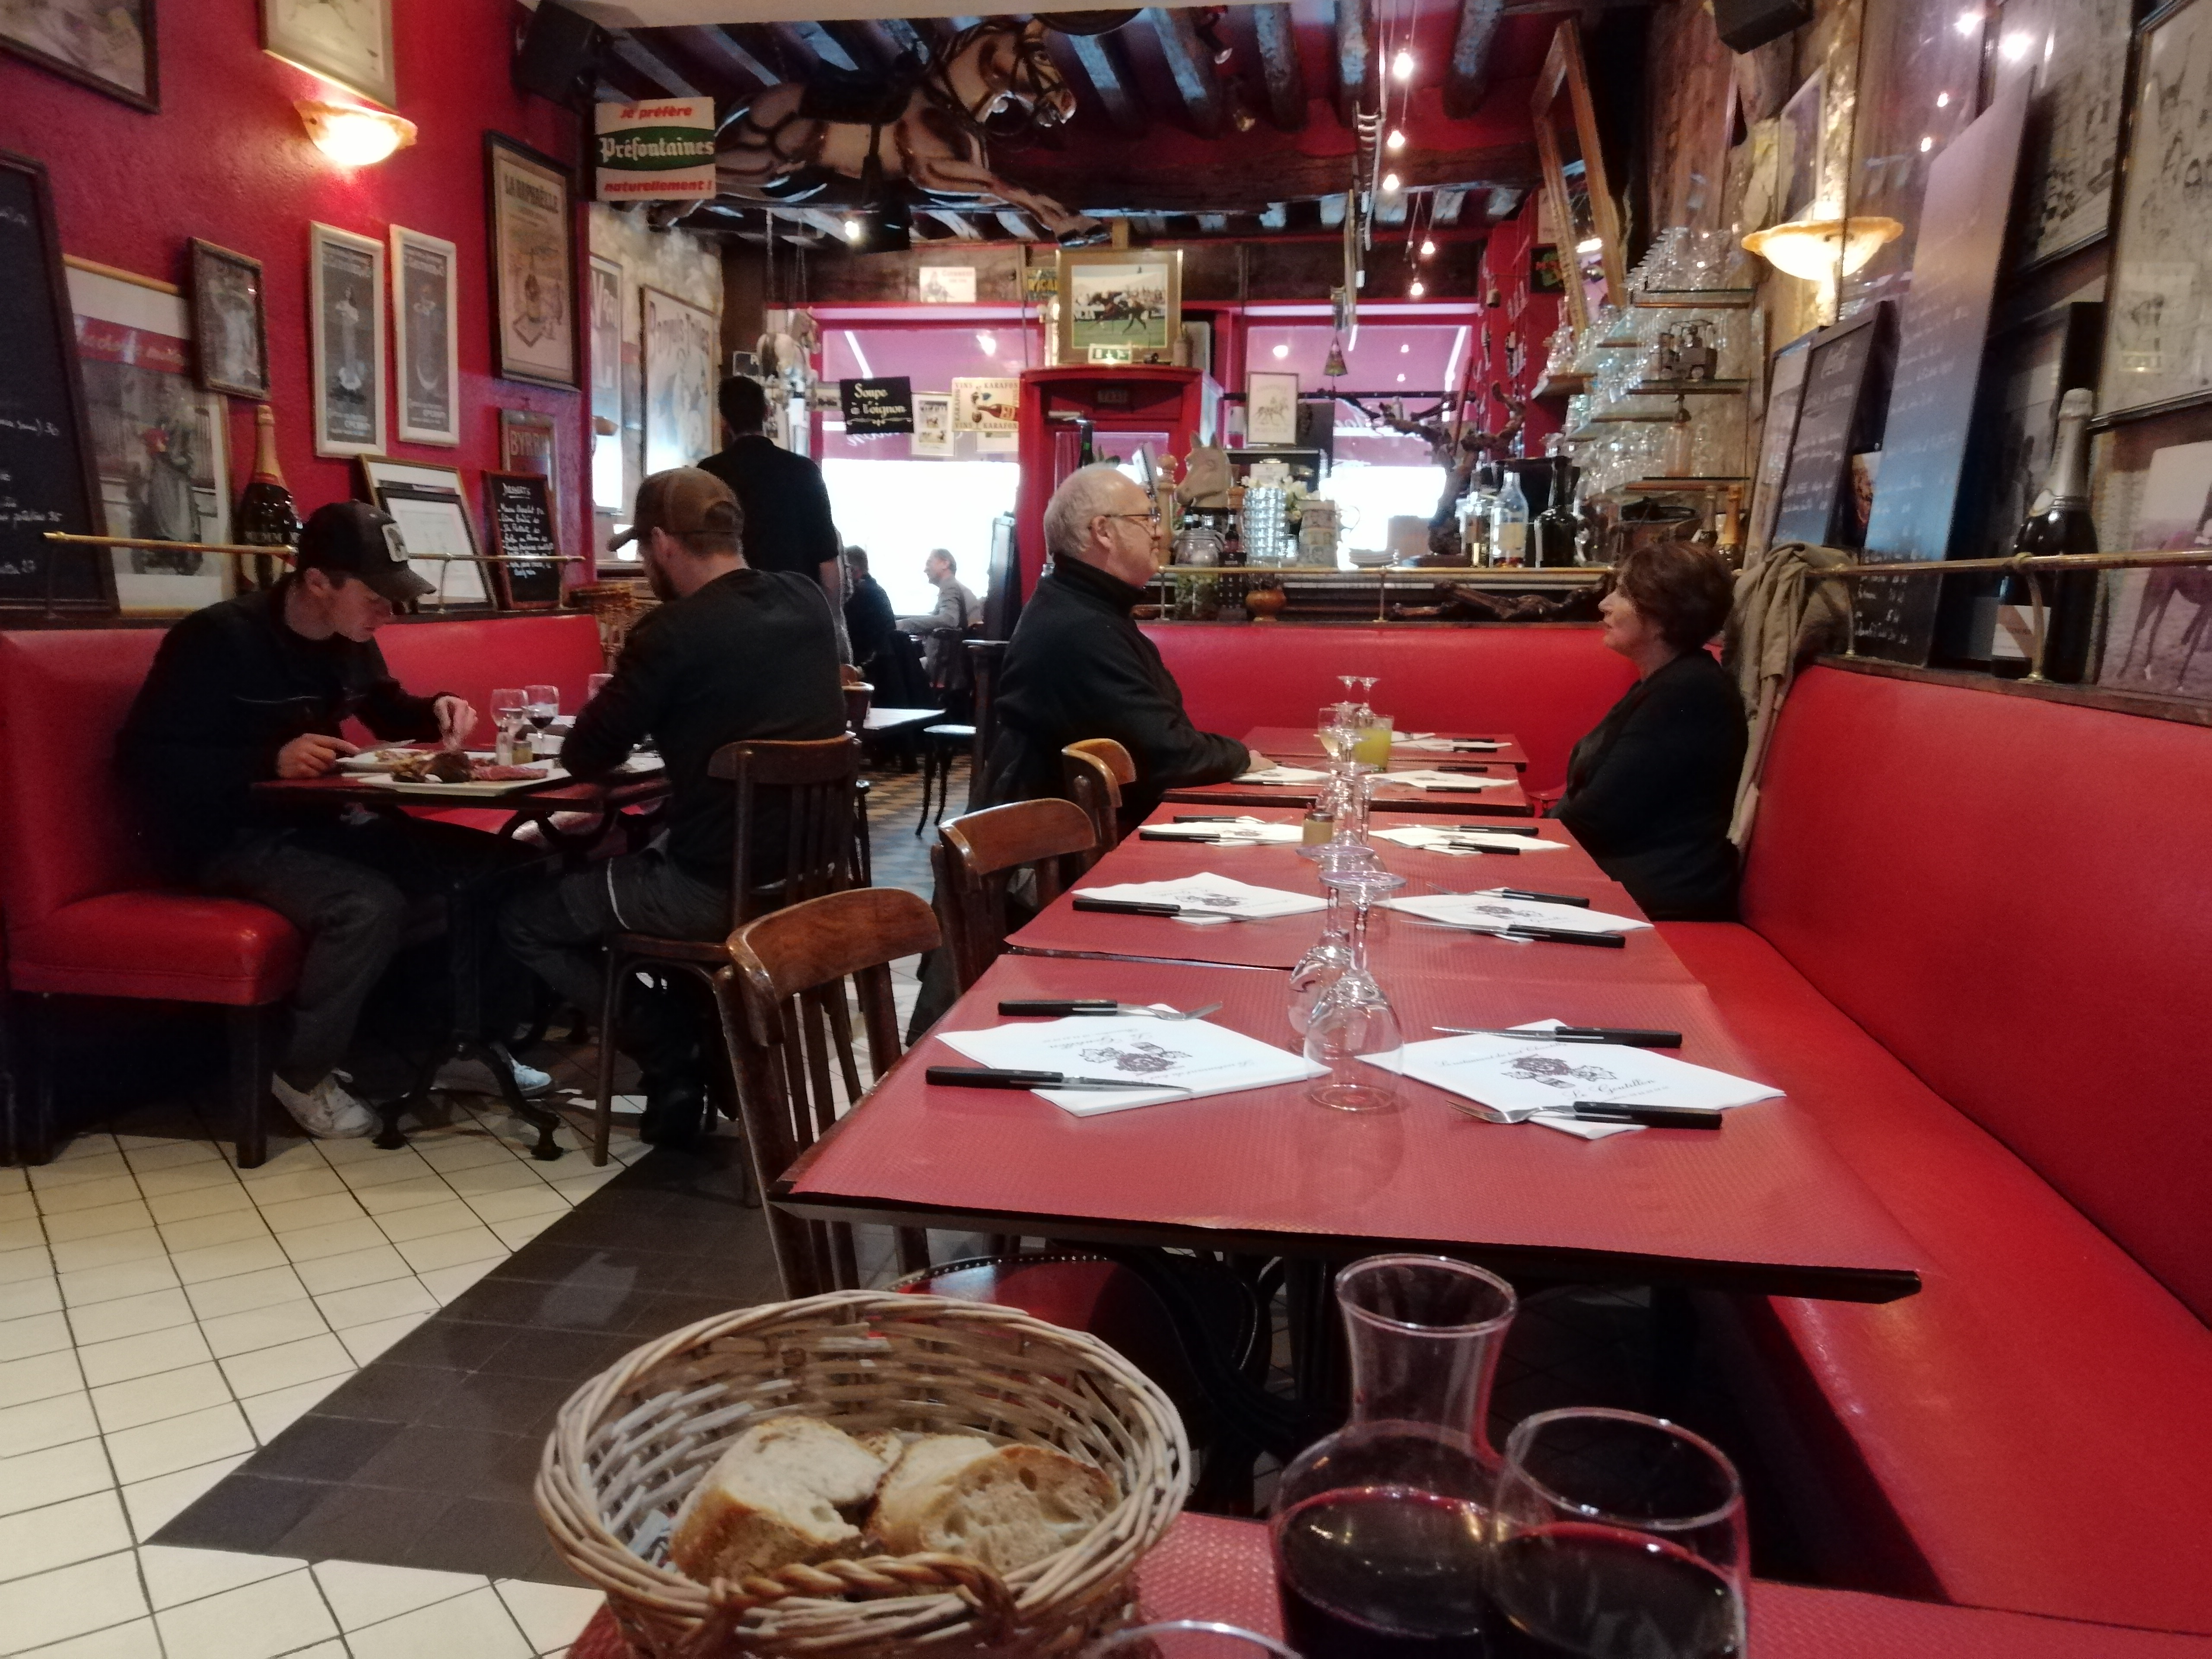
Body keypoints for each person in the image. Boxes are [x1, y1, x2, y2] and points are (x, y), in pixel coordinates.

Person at [115, 501, 537, 1140]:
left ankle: (468, 1047)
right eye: (377, 597)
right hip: (231, 839)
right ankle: (302, 1073)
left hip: (326, 824)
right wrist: (267, 760)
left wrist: (438, 708)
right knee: (365, 906)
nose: (389, 612)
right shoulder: (217, 639)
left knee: (501, 868)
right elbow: (143, 759)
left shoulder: (350, 637)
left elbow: (386, 708)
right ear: (317, 581)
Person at [500, 468, 846, 1144]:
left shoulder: (673, 631)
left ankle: (667, 1046)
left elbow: (586, 755)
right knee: (644, 853)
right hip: (806, 882)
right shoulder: (806, 600)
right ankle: (698, 1045)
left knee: (524, 916)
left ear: (661, 543)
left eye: (641, 548)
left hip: (709, 893)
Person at [980, 463, 1260, 822]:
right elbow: (1168, 756)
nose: (1160, 532)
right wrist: (1242, 757)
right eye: (1147, 519)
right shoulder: (1079, 629)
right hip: (1065, 848)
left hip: (1088, 832)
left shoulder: (1083, 607)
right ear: (1103, 531)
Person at [1552, 542, 1746, 920]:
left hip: (1653, 893)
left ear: (1663, 614)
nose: (1605, 604)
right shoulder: (1667, 682)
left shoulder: (1689, 692)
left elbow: (1596, 819)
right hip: (1626, 880)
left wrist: (1520, 843)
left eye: (1624, 594)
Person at [695, 376, 842, 597]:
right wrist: (833, 614)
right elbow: (827, 559)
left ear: (724, 421)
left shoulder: (709, 474)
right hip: (797, 605)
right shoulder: (804, 471)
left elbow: (699, 555)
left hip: (733, 603)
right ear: (767, 412)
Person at [842, 546, 928, 709]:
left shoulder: (859, 595)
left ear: (854, 572)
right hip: (885, 672)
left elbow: (850, 642)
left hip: (870, 675)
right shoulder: (876, 590)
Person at [896, 548, 980, 684]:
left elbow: (949, 620)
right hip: (951, 668)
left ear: (945, 564)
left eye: (929, 563)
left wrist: (903, 625)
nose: (925, 570)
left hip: (945, 671)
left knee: (892, 670)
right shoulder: (956, 587)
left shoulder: (950, 586)